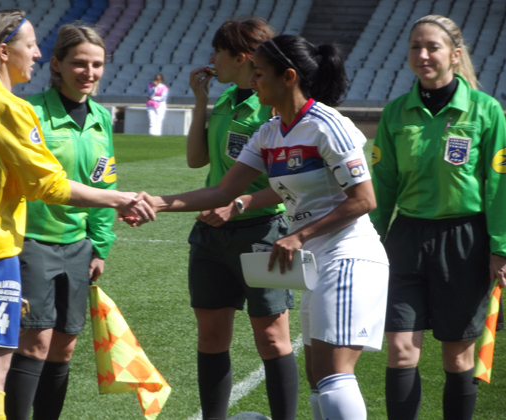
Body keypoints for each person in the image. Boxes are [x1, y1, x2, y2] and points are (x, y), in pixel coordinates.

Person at [133, 33, 389, 420]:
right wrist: (155, 203)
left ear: (288, 77)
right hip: (314, 260)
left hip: (350, 254)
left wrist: (299, 234)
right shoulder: (270, 133)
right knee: (318, 376)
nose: (252, 81)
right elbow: (223, 189)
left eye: (259, 73)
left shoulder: (327, 125)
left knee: (335, 374)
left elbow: (364, 200)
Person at [0, 10, 153, 420]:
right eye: (30, 46)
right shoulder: (9, 106)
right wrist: (119, 199)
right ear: (4, 51)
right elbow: (51, 186)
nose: (38, 54)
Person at [369, 15, 506, 420]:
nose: (423, 55)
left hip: (465, 240)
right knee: (400, 350)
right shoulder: (395, 113)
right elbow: (384, 186)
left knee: (459, 358)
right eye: (416, 47)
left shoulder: (486, 111)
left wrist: (500, 247)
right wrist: (371, 242)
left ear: (455, 54)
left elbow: (499, 186)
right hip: (405, 239)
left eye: (433, 47)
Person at [182, 17, 299, 420]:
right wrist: (200, 102)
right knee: (211, 335)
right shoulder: (228, 100)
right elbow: (197, 161)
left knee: (272, 338)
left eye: (218, 51)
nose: (211, 58)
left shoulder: (273, 106)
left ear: (243, 58)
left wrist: (240, 203)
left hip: (264, 233)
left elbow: (295, 183)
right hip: (211, 236)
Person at [3, 22, 117, 420]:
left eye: (97, 64)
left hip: (78, 246)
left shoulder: (102, 117)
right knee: (33, 343)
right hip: (31, 242)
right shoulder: (29, 111)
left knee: (65, 346)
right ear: (56, 64)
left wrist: (99, 246)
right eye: (79, 63)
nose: (89, 73)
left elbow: (104, 185)